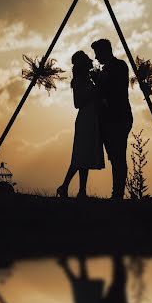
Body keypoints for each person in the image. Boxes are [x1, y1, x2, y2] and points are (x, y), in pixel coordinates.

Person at [56, 51, 105, 198]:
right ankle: (65, 187)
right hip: (85, 119)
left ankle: (80, 190)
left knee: (85, 156)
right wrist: (94, 91)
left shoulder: (88, 79)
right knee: (80, 156)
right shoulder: (79, 81)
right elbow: (77, 103)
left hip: (91, 119)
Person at [91, 39, 133, 199]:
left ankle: (118, 194)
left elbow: (114, 88)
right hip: (109, 119)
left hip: (119, 117)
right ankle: (117, 193)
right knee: (114, 156)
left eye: (97, 54)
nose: (96, 58)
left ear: (105, 51)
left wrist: (100, 80)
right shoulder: (108, 69)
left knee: (118, 156)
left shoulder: (119, 66)